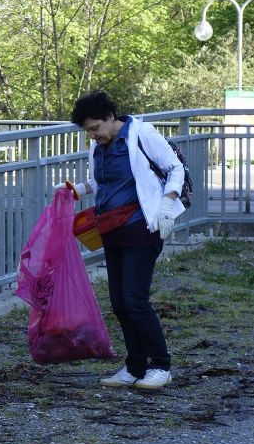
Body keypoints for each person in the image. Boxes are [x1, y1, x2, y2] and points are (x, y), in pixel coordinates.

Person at [61, 90, 186, 390]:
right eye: (88, 131)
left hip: (142, 228)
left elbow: (174, 168)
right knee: (119, 303)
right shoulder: (98, 147)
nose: (92, 135)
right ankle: (134, 366)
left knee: (135, 300)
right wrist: (77, 189)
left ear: (110, 117)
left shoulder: (141, 134)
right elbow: (101, 181)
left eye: (95, 128)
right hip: (111, 229)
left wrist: (167, 205)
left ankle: (161, 365)